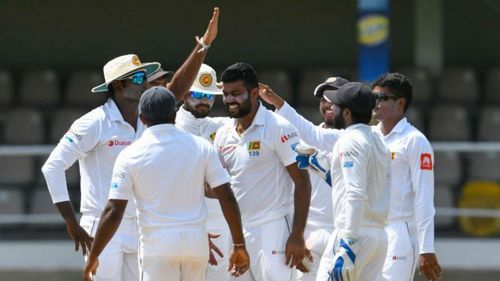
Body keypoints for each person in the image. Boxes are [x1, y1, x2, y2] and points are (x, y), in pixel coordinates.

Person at [41, 7, 220, 281]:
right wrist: (71, 223)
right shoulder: (94, 123)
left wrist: (204, 45)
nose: (145, 82)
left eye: (144, 77)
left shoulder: (148, 118)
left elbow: (177, 89)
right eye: (138, 78)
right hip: (102, 227)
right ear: (118, 86)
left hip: (141, 227)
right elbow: (52, 167)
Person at [83, 87, 250, 281]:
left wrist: (94, 256)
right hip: (196, 244)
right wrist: (239, 245)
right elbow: (227, 197)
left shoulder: (130, 154)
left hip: (157, 246)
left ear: (142, 118)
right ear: (174, 114)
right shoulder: (202, 147)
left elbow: (114, 210)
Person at [214, 62, 312, 281]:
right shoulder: (223, 135)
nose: (230, 100)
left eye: (236, 94)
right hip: (238, 232)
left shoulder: (279, 127)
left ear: (255, 92)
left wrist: (297, 234)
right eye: (226, 94)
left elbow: (302, 182)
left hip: (274, 228)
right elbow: (218, 187)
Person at [258, 77, 348, 281]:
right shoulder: (302, 136)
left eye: (333, 98)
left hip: (343, 235)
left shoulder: (354, 139)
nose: (328, 104)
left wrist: (275, 101)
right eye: (324, 99)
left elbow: (312, 134)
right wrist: (296, 235)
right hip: (308, 237)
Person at [315, 82, 391, 281]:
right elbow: (353, 184)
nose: (332, 108)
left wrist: (348, 244)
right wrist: (319, 165)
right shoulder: (377, 140)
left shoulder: (351, 140)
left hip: (354, 235)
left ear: (347, 113)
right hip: (376, 236)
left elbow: (355, 193)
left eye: (336, 106)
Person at [371, 73, 443, 281]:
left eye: (381, 98)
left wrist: (426, 248)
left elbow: (424, 197)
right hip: (372, 230)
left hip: (400, 231)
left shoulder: (415, 141)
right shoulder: (370, 136)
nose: (374, 103)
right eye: (372, 97)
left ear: (400, 102)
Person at [174, 63, 234, 281]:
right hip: (182, 221)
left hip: (219, 222)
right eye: (198, 94)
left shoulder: (223, 126)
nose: (204, 101)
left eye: (210, 96)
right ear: (183, 95)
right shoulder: (170, 127)